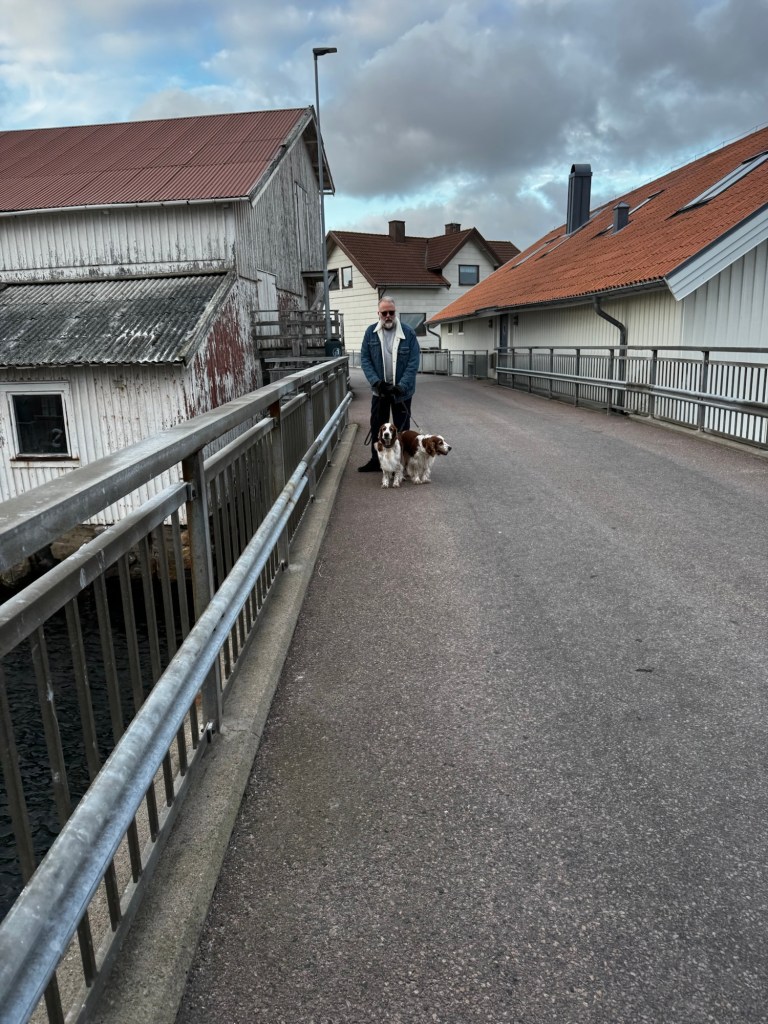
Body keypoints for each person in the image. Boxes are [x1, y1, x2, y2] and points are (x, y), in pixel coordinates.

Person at [357, 296, 421, 472]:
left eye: (391, 312)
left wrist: (401, 386)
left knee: (402, 429)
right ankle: (376, 461)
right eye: (384, 313)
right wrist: (377, 382)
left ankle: (402, 464)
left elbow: (413, 362)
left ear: (395, 312)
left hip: (401, 392)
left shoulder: (408, 333)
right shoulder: (370, 333)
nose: (388, 316)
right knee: (377, 427)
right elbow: (365, 360)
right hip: (380, 391)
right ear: (378, 313)